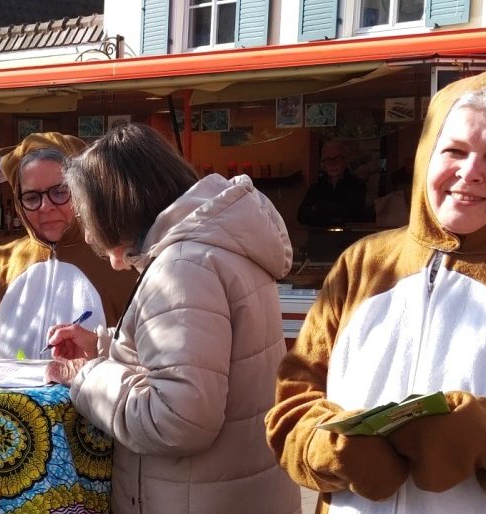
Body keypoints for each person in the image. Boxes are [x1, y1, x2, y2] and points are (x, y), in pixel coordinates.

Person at [265, 68, 486, 513]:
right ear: (427, 155)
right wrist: (327, 447)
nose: (470, 172)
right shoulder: (362, 263)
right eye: (454, 150)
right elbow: (293, 402)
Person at [45, 123, 301, 513]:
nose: (91, 235)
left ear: (114, 211)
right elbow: (204, 359)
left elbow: (177, 420)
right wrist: (102, 345)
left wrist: (87, 375)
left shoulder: (182, 267)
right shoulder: (218, 243)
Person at [0, 132, 135, 360]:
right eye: (32, 197)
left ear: (82, 191)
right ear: (19, 202)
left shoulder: (121, 261)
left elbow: (145, 353)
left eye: (60, 191)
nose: (46, 207)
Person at [297, 138, 373, 227]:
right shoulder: (316, 187)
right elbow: (302, 216)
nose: (332, 164)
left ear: (345, 161)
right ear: (323, 163)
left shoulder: (357, 186)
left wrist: (317, 208)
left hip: (346, 235)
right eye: (328, 160)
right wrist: (334, 212)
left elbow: (352, 214)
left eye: (337, 158)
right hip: (319, 235)